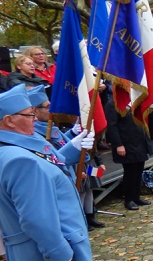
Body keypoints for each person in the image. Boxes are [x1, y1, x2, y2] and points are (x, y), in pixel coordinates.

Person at [0, 84, 98, 261]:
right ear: (9, 121)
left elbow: (47, 165)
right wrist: (59, 253)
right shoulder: (20, 160)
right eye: (29, 114)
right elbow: (36, 218)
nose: (34, 119)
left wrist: (73, 147)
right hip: (46, 251)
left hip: (33, 249)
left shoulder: (7, 150)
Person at [28, 86, 101, 230]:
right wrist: (73, 145)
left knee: (88, 190)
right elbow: (51, 155)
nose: (52, 109)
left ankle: (89, 216)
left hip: (72, 171)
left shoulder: (50, 127)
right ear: (35, 111)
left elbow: (60, 143)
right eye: (48, 107)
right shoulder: (34, 132)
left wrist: (72, 134)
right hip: (60, 180)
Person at [105, 99, 153, 210]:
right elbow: (112, 126)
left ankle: (136, 196)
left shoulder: (135, 99)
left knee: (138, 170)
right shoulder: (113, 103)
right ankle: (129, 199)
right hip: (126, 143)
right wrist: (118, 144)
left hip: (139, 141)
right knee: (130, 172)